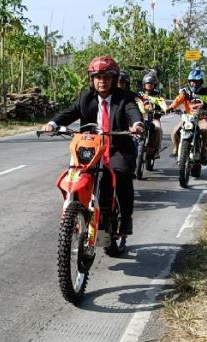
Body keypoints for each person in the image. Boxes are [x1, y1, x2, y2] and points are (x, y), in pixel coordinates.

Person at [41, 56, 143, 235]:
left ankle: (126, 218)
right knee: (76, 174)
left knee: (120, 178)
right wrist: (53, 124)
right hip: (90, 149)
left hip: (116, 148)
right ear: (92, 79)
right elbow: (69, 113)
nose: (102, 81)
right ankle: (77, 209)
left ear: (114, 78)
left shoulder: (124, 97)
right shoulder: (85, 97)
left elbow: (133, 112)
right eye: (97, 77)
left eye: (106, 77)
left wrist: (137, 124)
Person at [167, 69, 207, 166]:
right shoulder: (185, 92)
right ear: (189, 82)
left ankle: (204, 155)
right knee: (175, 132)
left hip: (201, 118)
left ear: (200, 82)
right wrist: (171, 107)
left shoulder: (206, 92)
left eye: (196, 81)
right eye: (192, 81)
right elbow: (178, 100)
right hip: (188, 118)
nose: (194, 84)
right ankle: (176, 149)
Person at [136, 73, 166, 160]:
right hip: (142, 118)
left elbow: (163, 104)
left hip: (154, 118)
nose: (149, 85)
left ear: (154, 85)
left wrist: (165, 109)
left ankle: (156, 150)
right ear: (144, 84)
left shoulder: (158, 95)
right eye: (147, 83)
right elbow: (135, 103)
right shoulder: (139, 95)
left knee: (158, 129)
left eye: (151, 83)